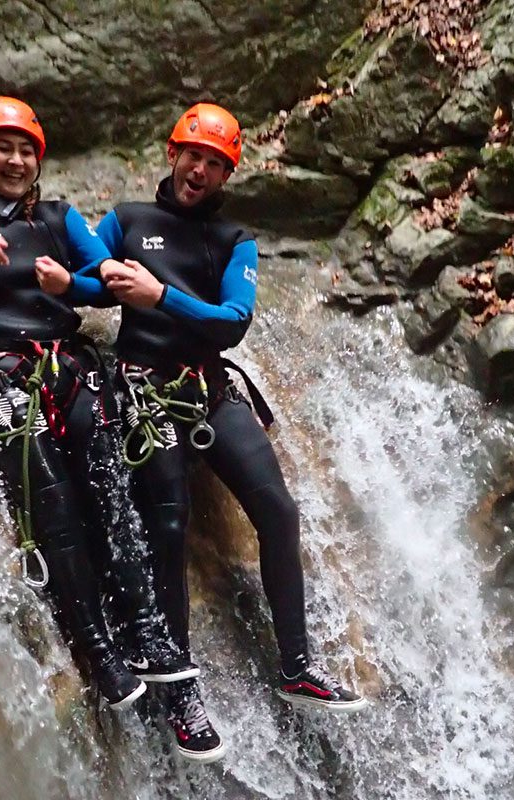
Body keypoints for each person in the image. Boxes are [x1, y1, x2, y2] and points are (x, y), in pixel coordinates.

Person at [96, 102, 367, 759]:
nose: (202, 170)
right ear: (173, 153)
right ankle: (181, 690)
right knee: (168, 521)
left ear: (226, 175)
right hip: (143, 392)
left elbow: (232, 322)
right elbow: (87, 283)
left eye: (216, 164)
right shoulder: (126, 220)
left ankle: (297, 667)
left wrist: (159, 296)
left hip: (207, 387)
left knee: (277, 510)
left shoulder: (234, 239)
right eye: (195, 155)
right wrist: (79, 277)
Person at [0, 96, 198, 716]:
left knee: (108, 480)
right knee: (49, 488)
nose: (16, 160)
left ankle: (145, 629)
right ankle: (97, 650)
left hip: (67, 365)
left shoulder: (58, 217)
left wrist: (69, 285)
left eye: (26, 150)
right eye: (3, 148)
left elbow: (108, 279)